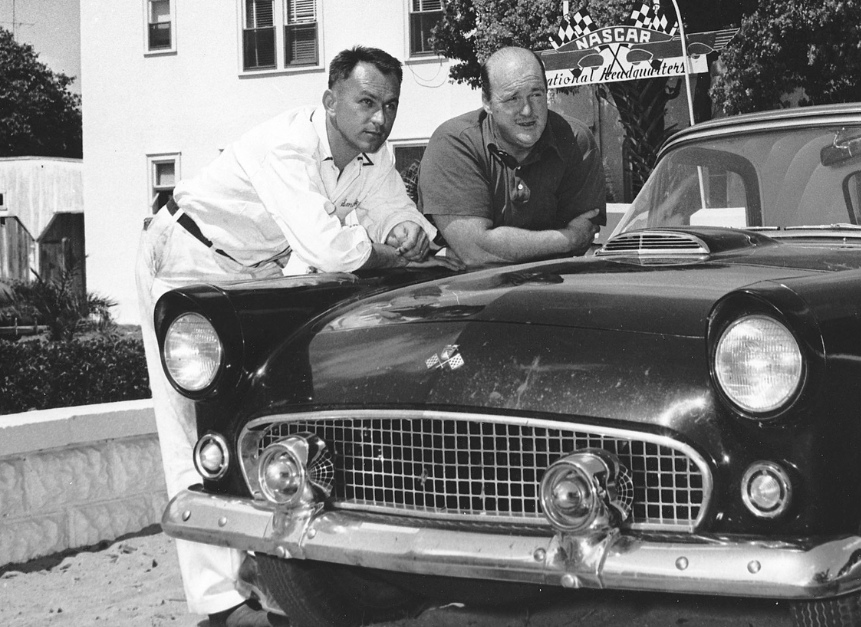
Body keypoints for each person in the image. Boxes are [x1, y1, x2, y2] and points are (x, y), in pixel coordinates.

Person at [135, 46, 451, 627]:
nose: (379, 119)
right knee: (196, 435)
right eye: (365, 103)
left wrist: (406, 231)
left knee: (265, 422)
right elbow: (331, 249)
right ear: (330, 101)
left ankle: (261, 577)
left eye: (389, 105)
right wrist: (384, 251)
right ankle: (218, 606)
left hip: (255, 279)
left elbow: (397, 215)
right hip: (188, 260)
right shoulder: (288, 145)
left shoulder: (368, 155)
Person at [417, 46, 607, 266]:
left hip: (554, 285)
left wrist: (571, 239)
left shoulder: (574, 140)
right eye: (512, 99)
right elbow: (476, 251)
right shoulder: (455, 142)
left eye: (536, 94)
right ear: (487, 102)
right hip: (472, 289)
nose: (527, 110)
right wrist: (569, 238)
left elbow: (586, 231)